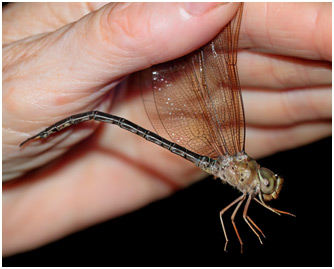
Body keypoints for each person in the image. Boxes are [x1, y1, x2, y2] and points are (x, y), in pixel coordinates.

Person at [3, 2, 331, 257]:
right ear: (256, 176)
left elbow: (234, 214)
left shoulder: (245, 180)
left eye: (269, 184)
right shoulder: (241, 167)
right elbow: (231, 216)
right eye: (268, 182)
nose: (268, 187)